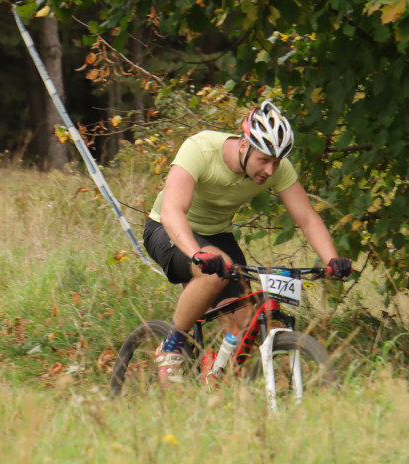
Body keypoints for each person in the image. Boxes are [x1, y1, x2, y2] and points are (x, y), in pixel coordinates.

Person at [143, 100, 352, 384]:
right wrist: (196, 252)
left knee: (246, 326)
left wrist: (331, 259)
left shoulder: (278, 169)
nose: (270, 169)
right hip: (167, 229)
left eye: (276, 162)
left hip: (218, 236)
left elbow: (307, 217)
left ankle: (216, 380)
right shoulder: (201, 148)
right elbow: (171, 211)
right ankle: (171, 347)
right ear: (244, 145)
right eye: (263, 160)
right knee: (212, 272)